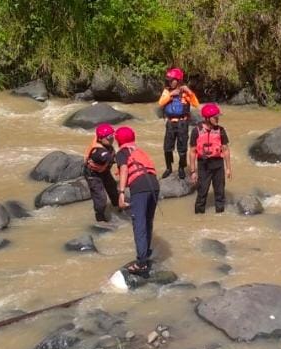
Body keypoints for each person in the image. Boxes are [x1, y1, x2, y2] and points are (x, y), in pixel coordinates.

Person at [115, 126, 160, 276]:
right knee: (148, 221)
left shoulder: (122, 152)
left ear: (118, 140)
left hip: (140, 187)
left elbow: (124, 170)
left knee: (139, 224)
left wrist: (121, 193)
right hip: (154, 184)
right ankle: (146, 252)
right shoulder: (139, 150)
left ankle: (141, 263)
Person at [158, 67, 200, 180]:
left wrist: (189, 92)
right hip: (171, 123)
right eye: (169, 80)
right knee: (167, 147)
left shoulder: (185, 92)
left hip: (182, 123)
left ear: (178, 80)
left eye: (172, 80)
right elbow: (161, 103)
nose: (170, 82)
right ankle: (168, 168)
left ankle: (181, 168)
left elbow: (196, 104)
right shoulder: (166, 91)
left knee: (182, 148)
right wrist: (171, 95)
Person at [189, 103, 231, 214]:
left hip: (218, 164)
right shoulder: (196, 131)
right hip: (204, 165)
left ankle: (220, 216)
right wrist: (193, 171)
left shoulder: (221, 130)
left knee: (220, 193)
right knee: (202, 193)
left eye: (218, 117)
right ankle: (198, 219)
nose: (217, 119)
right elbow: (193, 152)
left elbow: (226, 149)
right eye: (215, 117)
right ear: (207, 118)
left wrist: (228, 168)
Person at [84, 123, 120, 222]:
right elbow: (109, 157)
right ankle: (100, 218)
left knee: (112, 188)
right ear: (100, 139)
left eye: (112, 136)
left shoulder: (106, 145)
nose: (112, 139)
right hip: (93, 175)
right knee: (101, 198)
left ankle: (117, 207)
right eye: (109, 137)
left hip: (104, 171)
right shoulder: (100, 152)